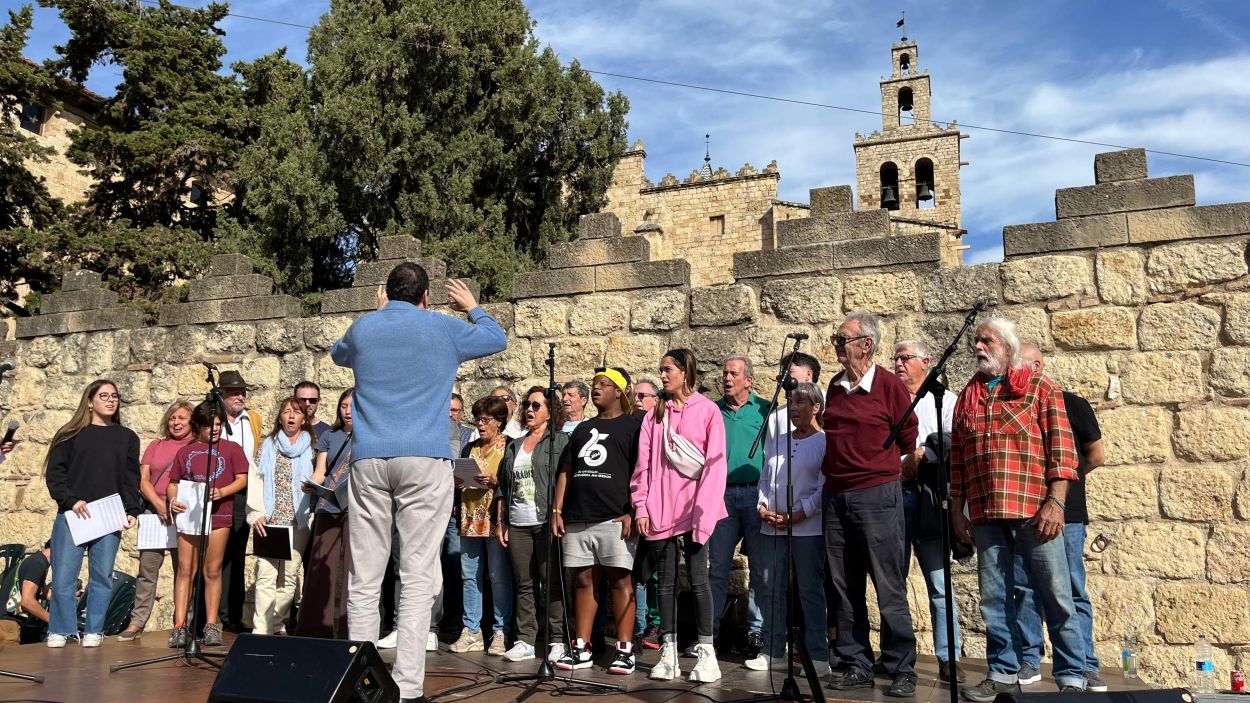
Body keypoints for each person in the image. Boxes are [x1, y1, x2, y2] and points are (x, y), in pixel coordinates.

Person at [331, 263, 506, 703]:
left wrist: (377, 316)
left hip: (370, 458)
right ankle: (407, 688)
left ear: (388, 294)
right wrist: (472, 307)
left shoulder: (364, 329)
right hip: (425, 458)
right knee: (416, 576)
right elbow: (496, 338)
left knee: (365, 577)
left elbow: (337, 353)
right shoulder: (442, 328)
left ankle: (360, 683)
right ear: (426, 297)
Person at [949, 317, 1085, 700]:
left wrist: (1056, 503)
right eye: (976, 340)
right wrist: (957, 510)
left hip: (1034, 511)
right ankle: (1002, 671)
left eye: (986, 341)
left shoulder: (1040, 389)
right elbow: (957, 459)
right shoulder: (968, 396)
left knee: (1056, 594)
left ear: (1008, 348)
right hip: (987, 515)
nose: (978, 346)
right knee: (994, 599)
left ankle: (1072, 675)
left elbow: (1063, 452)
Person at [823, 312, 919, 697]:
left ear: (866, 343)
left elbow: (907, 435)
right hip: (836, 496)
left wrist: (876, 468)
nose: (835, 345)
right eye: (835, 338)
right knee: (843, 586)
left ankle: (901, 667)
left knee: (888, 583)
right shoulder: (834, 385)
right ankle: (855, 662)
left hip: (877, 495)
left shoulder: (890, 386)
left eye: (841, 339)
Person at [1014, 344, 1107, 692]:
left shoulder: (1072, 403)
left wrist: (1064, 489)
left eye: (1019, 364)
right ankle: (1029, 659)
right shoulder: (1014, 404)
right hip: (1022, 513)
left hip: (1067, 515)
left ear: (1037, 366)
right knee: (1024, 588)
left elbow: (1095, 455)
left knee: (1071, 588)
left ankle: (1084, 665)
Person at [631, 348, 728, 683]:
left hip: (696, 507)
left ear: (686, 371)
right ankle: (668, 653)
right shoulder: (653, 416)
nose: (663, 375)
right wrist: (641, 505)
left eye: (668, 369)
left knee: (699, 581)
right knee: (667, 583)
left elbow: (716, 466)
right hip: (660, 508)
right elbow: (642, 467)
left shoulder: (709, 411)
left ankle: (707, 653)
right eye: (660, 370)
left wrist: (705, 511)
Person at [553, 368, 642, 675]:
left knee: (620, 580)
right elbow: (566, 468)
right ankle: (582, 645)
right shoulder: (580, 429)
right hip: (579, 515)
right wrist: (557, 510)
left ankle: (625, 648)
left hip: (615, 515)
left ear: (620, 391)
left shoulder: (634, 426)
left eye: (604, 384)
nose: (596, 389)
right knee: (584, 580)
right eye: (593, 385)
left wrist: (634, 510)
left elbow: (641, 471)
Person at [43, 379, 141, 648]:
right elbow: (55, 474)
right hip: (73, 514)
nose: (111, 400)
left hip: (107, 516)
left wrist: (132, 510)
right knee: (63, 576)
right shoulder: (69, 434)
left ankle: (94, 630)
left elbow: (131, 478)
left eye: (115, 396)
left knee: (102, 575)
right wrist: (70, 500)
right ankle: (61, 629)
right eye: (104, 395)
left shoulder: (127, 437)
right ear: (89, 401)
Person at [891, 340, 963, 683]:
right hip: (894, 498)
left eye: (905, 358)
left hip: (929, 499)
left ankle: (949, 657)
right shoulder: (889, 400)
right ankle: (896, 655)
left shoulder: (944, 400)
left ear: (926, 362)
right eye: (896, 358)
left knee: (939, 582)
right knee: (892, 582)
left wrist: (922, 457)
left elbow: (952, 441)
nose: (898, 364)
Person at [749, 381, 829, 676]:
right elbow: (764, 478)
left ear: (816, 408)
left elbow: (824, 484)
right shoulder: (779, 440)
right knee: (771, 587)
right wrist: (762, 506)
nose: (794, 408)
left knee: (809, 590)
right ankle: (773, 650)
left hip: (807, 528)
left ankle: (818, 657)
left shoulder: (824, 442)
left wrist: (800, 513)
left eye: (801, 402)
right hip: (773, 525)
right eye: (792, 402)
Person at [167, 401, 250, 648]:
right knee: (185, 570)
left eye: (217, 424)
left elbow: (243, 478)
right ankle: (180, 625)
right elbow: (174, 481)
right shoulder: (185, 451)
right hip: (190, 515)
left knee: (212, 570)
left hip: (219, 515)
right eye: (207, 426)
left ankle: (212, 624)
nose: (213, 430)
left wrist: (223, 490)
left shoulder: (232, 449)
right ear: (198, 427)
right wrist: (173, 500)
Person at [497, 386, 570, 663]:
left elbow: (567, 478)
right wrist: (501, 520)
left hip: (545, 520)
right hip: (518, 521)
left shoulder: (560, 441)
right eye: (527, 404)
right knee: (524, 583)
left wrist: (558, 511)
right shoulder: (514, 445)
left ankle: (557, 640)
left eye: (536, 406)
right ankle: (526, 640)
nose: (529, 410)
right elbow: (504, 486)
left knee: (550, 581)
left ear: (551, 412)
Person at [118, 400, 195, 641]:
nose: (176, 422)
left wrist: (173, 505)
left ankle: (183, 622)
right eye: (173, 418)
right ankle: (138, 621)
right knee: (147, 569)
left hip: (184, 514)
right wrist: (160, 505)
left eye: (182, 418)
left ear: (192, 422)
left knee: (185, 570)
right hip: (155, 513)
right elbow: (144, 480)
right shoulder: (156, 445)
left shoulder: (196, 446)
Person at [710, 356, 769, 657]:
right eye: (725, 373)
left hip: (756, 495)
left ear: (749, 380)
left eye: (734, 373)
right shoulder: (712, 411)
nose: (727, 378)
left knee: (760, 569)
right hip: (721, 496)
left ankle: (756, 632)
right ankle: (710, 634)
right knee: (717, 568)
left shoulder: (765, 410)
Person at [450, 396, 514, 655]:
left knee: (498, 577)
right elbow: (461, 475)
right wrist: (458, 482)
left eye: (486, 420)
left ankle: (500, 631)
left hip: (493, 518)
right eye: (477, 419)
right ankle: (472, 631)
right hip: (469, 518)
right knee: (469, 576)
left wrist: (496, 480)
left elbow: (511, 481)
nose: (480, 424)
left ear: (499, 422)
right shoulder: (470, 448)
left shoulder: (509, 446)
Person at [247, 397, 317, 636]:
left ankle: (277, 624)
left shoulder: (312, 446)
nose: (291, 416)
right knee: (266, 575)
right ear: (280, 417)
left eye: (296, 412)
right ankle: (261, 629)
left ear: (303, 419)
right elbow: (256, 479)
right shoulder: (268, 445)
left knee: (288, 576)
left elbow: (320, 476)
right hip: (270, 520)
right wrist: (257, 513)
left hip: (298, 520)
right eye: (286, 412)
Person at [297, 388, 355, 638]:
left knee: (353, 568)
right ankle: (314, 628)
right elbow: (321, 469)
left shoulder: (372, 437)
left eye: (352, 406)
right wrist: (312, 484)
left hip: (357, 507)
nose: (347, 411)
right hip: (328, 504)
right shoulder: (330, 436)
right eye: (343, 405)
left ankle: (348, 628)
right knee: (322, 565)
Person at [216, 370, 263, 633]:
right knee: (216, 556)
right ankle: (212, 615)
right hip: (220, 490)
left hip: (244, 493)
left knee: (237, 554)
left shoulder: (252, 419)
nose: (240, 396)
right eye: (234, 392)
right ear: (221, 395)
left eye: (242, 391)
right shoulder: (214, 419)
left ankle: (232, 615)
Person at [2, 540, 51, 645]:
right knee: (9, 660)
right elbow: (27, 601)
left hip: (8, 624)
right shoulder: (38, 563)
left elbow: (41, 591)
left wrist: (68, 595)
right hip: (7, 626)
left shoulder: (37, 560)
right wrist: (53, 620)